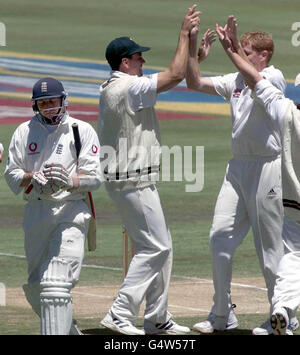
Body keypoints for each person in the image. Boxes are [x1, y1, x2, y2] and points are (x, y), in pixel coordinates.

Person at [185, 15, 299, 335]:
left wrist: (230, 49)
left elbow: (253, 79)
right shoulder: (235, 79)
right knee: (218, 240)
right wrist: (197, 52)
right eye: (241, 51)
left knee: (271, 253)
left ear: (263, 54)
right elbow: (194, 83)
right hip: (237, 169)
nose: (240, 55)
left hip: (270, 168)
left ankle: (283, 318)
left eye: (246, 51)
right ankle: (222, 314)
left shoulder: (273, 77)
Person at [98, 5, 200, 335]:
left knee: (162, 247)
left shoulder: (127, 86)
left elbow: (175, 76)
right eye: (138, 56)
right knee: (155, 248)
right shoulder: (126, 87)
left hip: (136, 179)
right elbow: (172, 75)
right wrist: (184, 35)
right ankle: (119, 312)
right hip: (131, 181)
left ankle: (157, 318)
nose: (143, 60)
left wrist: (195, 54)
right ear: (124, 62)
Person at [4, 77, 101, 335]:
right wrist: (31, 177)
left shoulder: (81, 130)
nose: (48, 107)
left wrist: (69, 180)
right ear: (35, 106)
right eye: (42, 103)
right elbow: (11, 174)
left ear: (63, 100)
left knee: (55, 283)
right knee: (37, 286)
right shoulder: (24, 131)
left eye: (52, 101)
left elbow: (95, 178)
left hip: (71, 210)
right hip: (36, 211)